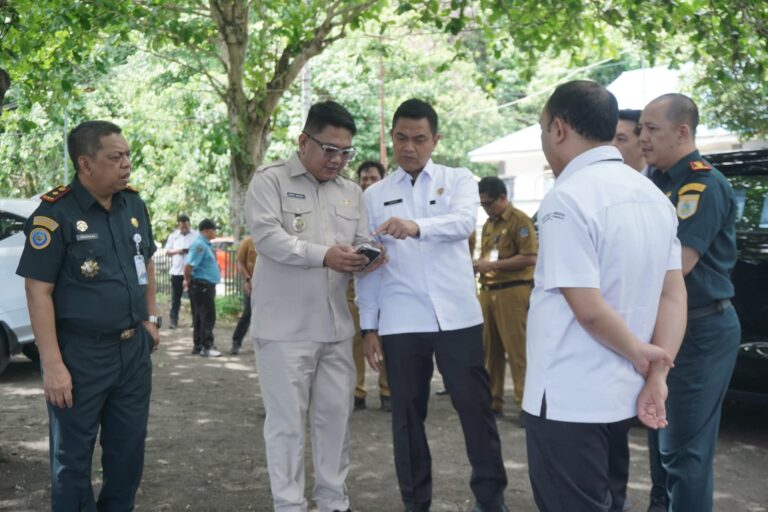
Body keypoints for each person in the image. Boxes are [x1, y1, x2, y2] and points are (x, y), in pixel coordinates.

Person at [522, 80, 687, 512]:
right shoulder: (653, 196)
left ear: (558, 129)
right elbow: (673, 296)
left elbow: (589, 310)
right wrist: (657, 373)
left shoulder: (567, 199)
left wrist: (640, 355)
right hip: (622, 396)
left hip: (567, 396)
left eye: (543, 131)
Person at [357, 99, 509, 512]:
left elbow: (463, 222)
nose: (410, 147)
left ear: (435, 140)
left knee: (475, 411)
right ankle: (415, 502)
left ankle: (491, 500)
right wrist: (369, 327)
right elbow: (369, 265)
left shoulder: (458, 179)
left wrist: (416, 226)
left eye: (419, 139)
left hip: (457, 316)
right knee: (406, 417)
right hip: (402, 319)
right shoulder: (374, 194)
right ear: (391, 138)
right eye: (401, 138)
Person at [245, 100, 383, 512]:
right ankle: (288, 505)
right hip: (283, 331)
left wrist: (369, 253)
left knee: (334, 423)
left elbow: (362, 237)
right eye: (329, 149)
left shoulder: (352, 193)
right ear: (304, 140)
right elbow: (268, 238)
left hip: (336, 329)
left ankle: (333, 501)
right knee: (286, 427)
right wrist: (324, 255)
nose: (338, 160)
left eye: (346, 153)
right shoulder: (269, 181)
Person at [16, 120, 161, 510]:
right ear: (85, 163)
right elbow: (37, 289)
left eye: (128, 154)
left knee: (127, 455)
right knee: (72, 463)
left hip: (133, 352)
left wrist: (151, 319)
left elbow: (144, 261)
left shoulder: (133, 204)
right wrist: (52, 365)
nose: (127, 163)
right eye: (116, 157)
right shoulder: (54, 215)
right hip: (80, 355)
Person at [640, 93, 741, 512]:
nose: (642, 137)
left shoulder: (701, 184)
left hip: (700, 329)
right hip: (671, 328)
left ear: (682, 132)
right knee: (664, 448)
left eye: (651, 129)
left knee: (684, 452)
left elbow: (677, 265)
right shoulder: (659, 182)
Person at [473, 176, 537, 421]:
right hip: (488, 292)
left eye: (489, 203)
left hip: (513, 291)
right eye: (483, 205)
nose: (487, 209)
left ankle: (525, 405)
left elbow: (530, 256)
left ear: (503, 198)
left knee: (517, 352)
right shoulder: (489, 224)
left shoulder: (520, 221)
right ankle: (493, 401)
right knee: (491, 352)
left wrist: (493, 264)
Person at [348, 160, 391, 411]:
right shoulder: (349, 207)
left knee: (385, 338)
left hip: (384, 282)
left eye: (372, 178)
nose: (366, 182)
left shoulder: (390, 205)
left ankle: (387, 390)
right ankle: (357, 391)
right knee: (356, 339)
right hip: (355, 282)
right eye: (363, 178)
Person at [184, 218, 222, 357]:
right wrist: (188, 281)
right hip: (202, 285)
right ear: (206, 230)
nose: (215, 232)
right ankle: (207, 346)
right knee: (208, 316)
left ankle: (199, 345)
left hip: (203, 285)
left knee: (200, 316)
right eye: (214, 229)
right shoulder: (200, 245)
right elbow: (189, 265)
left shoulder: (204, 245)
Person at [165, 214, 197, 329]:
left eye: (186, 224)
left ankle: (195, 321)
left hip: (192, 272)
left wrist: (190, 251)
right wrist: (178, 251)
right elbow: (167, 251)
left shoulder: (196, 235)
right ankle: (173, 321)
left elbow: (200, 250)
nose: (184, 227)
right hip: (177, 271)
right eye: (182, 224)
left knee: (194, 298)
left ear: (189, 223)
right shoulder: (173, 236)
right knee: (175, 298)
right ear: (179, 224)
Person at [230, 235, 257, 355]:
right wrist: (247, 280)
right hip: (252, 283)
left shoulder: (271, 241)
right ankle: (236, 342)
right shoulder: (248, 242)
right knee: (248, 313)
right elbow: (240, 263)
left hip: (269, 285)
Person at [613, 109, 649, 175]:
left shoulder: (657, 181)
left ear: (643, 143)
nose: (612, 145)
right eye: (611, 138)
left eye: (621, 139)